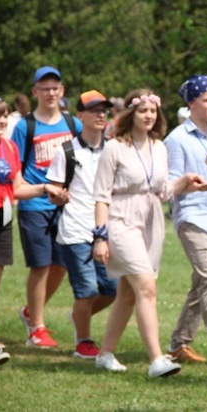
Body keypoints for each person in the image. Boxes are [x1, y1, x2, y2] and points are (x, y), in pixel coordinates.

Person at [91, 88, 207, 377]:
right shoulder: (114, 147)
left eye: (153, 111)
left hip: (151, 223)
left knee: (128, 294)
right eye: (143, 110)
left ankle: (105, 353)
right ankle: (157, 359)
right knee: (146, 286)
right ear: (131, 113)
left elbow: (161, 190)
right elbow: (101, 196)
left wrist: (184, 183)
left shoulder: (159, 147)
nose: (148, 115)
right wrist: (100, 236)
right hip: (121, 221)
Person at [0, 95, 66, 367]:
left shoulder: (9, 147)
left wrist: (44, 188)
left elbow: (16, 188)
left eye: (5, 115)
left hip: (1, 220)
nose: (2, 120)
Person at [12, 66, 82, 348]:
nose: (50, 93)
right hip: (35, 203)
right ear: (35, 92)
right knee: (40, 266)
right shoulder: (24, 126)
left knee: (61, 264)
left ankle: (31, 311)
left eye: (55, 88)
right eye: (45, 88)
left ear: (62, 91)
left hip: (65, 205)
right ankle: (36, 327)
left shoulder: (72, 124)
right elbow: (16, 167)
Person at [46, 90, 119, 359]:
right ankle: (84, 341)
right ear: (79, 115)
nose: (101, 114)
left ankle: (79, 315)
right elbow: (53, 188)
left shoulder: (114, 147)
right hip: (75, 229)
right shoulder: (66, 151)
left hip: (105, 229)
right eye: (94, 110)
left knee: (112, 289)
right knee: (86, 290)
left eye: (104, 110)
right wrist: (58, 195)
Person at [162, 75, 207, 370]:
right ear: (191, 104)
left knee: (202, 280)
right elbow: (168, 185)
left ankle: (179, 342)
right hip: (191, 217)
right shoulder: (176, 139)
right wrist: (188, 184)